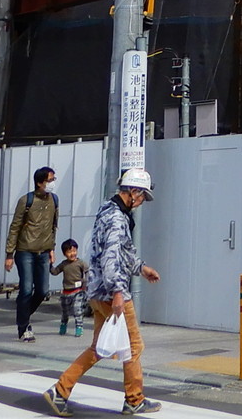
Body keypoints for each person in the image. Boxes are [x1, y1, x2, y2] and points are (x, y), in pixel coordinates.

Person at [43, 169, 161, 416]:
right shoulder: (118, 219)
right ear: (133, 191)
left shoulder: (107, 209)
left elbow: (121, 252)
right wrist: (119, 291)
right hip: (110, 292)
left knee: (98, 348)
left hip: (95, 290)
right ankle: (134, 399)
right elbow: (111, 258)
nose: (142, 203)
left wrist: (141, 268)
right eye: (142, 197)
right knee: (134, 345)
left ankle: (60, 390)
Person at [5, 165, 58, 342]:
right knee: (26, 289)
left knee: (42, 290)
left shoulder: (54, 200)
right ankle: (24, 326)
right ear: (39, 182)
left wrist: (52, 248)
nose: (52, 183)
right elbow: (15, 227)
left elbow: (53, 226)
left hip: (44, 251)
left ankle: (23, 315)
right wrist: (9, 254)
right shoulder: (26, 200)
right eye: (50, 180)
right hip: (25, 250)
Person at [51, 239, 88, 337]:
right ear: (64, 254)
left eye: (74, 251)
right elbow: (55, 272)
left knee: (77, 310)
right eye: (69, 252)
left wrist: (85, 282)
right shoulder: (64, 264)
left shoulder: (81, 263)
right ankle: (63, 324)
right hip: (66, 292)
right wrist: (49, 264)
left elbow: (88, 271)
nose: (72, 254)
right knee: (65, 312)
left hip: (78, 291)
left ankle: (79, 327)